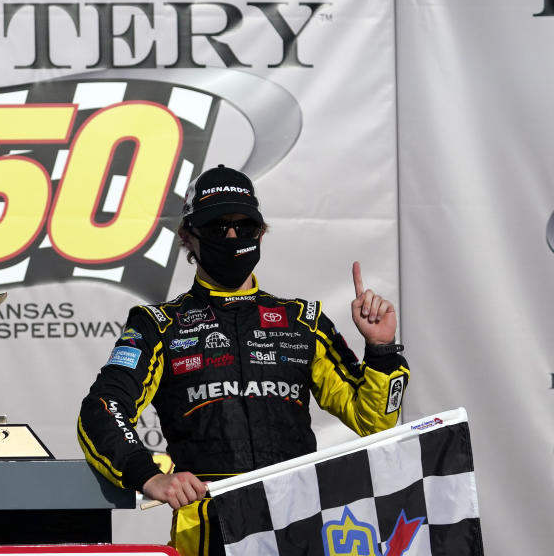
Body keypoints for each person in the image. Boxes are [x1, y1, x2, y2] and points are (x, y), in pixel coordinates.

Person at [76, 165, 409, 556]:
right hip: (209, 531)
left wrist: (382, 351)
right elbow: (102, 408)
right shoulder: (160, 325)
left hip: (299, 524)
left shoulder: (302, 322)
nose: (233, 237)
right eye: (218, 227)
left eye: (245, 227)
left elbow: (374, 419)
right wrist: (149, 476)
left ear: (261, 233)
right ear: (188, 236)